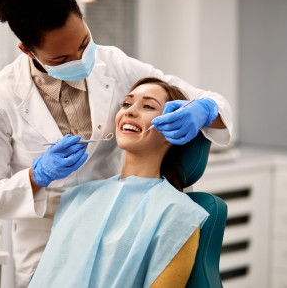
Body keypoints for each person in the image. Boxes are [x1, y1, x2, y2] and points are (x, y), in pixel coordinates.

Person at [0, 0, 232, 286]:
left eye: (84, 43)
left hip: (120, 228)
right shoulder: (1, 96)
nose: (81, 60)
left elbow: (205, 99)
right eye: (62, 58)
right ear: (27, 51)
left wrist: (204, 109)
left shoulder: (115, 65)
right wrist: (36, 177)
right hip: (46, 242)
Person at [28, 77, 209, 288]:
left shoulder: (179, 213)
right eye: (126, 103)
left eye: (148, 106)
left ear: (174, 128)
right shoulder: (77, 197)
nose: (129, 111)